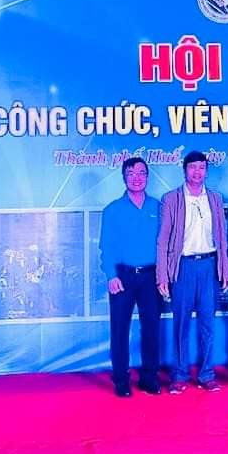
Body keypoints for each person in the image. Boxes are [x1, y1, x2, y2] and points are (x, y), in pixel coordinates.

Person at [157, 151, 228, 394]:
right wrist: (162, 275)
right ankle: (179, 375)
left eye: (202, 167)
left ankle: (207, 374)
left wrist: (226, 268)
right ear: (184, 170)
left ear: (206, 171)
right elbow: (162, 240)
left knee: (208, 324)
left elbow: (223, 237)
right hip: (183, 267)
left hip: (209, 265)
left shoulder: (215, 198)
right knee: (181, 324)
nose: (197, 172)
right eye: (192, 167)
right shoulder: (171, 199)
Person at [100, 157, 162, 398]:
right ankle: (121, 379)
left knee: (151, 328)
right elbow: (106, 246)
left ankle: (149, 378)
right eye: (131, 173)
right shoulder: (112, 210)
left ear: (147, 177)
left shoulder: (158, 208)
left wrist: (164, 275)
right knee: (119, 329)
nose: (137, 178)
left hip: (151, 277)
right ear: (124, 177)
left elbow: (166, 243)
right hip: (122, 276)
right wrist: (111, 275)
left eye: (141, 173)